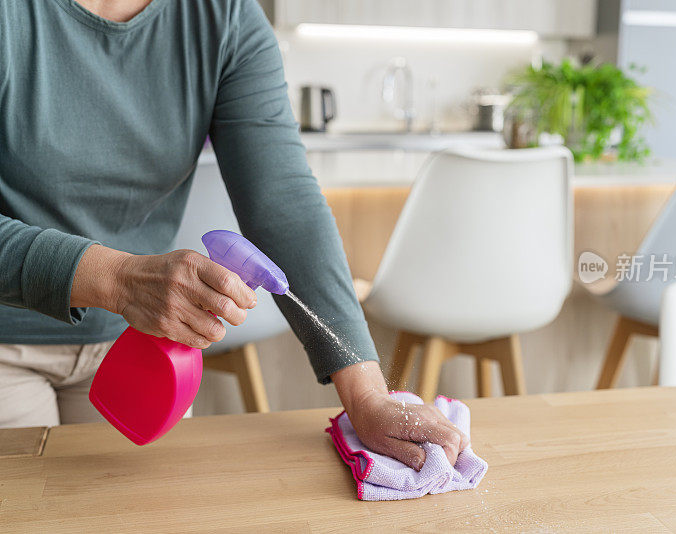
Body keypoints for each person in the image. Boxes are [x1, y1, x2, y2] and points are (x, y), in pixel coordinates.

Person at [0, 0, 467, 471]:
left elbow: (283, 202)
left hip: (137, 348)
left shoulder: (223, 16)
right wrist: (118, 280)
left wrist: (367, 394)